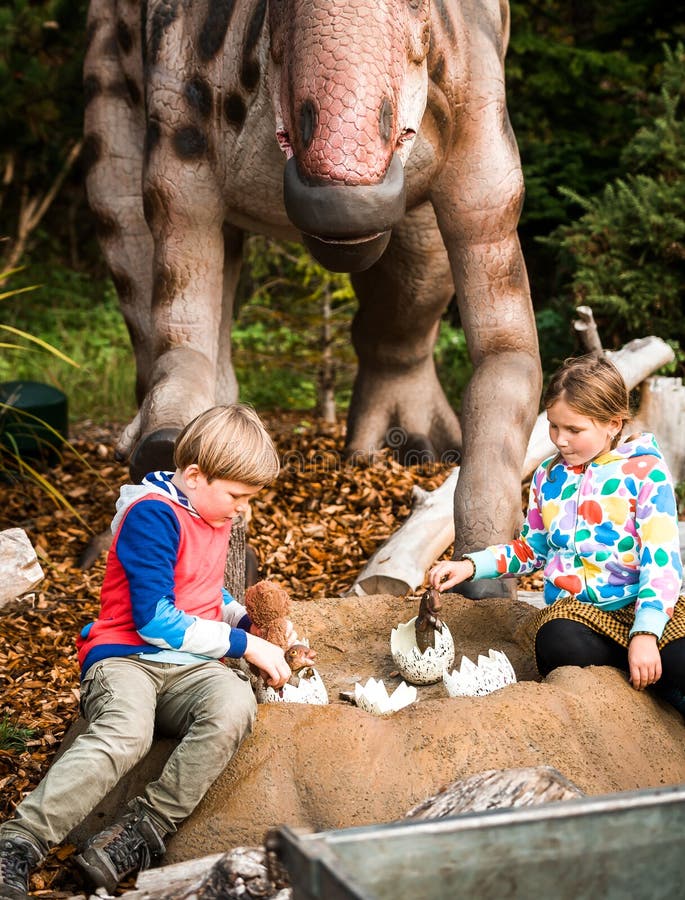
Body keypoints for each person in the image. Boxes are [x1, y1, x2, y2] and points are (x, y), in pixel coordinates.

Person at [0, 404, 293, 900]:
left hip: (188, 669)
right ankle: (20, 842)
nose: (243, 508)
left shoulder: (210, 512)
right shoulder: (152, 515)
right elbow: (156, 619)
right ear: (196, 475)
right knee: (127, 732)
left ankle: (140, 831)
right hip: (125, 656)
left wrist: (246, 622)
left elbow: (204, 595)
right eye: (237, 495)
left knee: (233, 706)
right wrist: (245, 644)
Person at [429, 354, 685, 705]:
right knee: (555, 640)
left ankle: (660, 679)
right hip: (581, 616)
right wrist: (469, 566)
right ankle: (641, 678)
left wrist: (645, 633)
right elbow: (532, 548)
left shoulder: (646, 474)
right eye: (553, 426)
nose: (560, 440)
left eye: (574, 430)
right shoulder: (549, 477)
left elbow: (662, 563)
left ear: (612, 423)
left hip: (645, 605)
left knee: (680, 659)